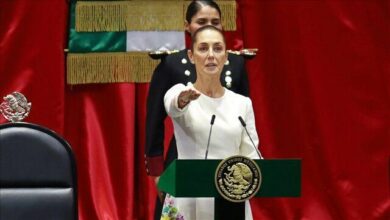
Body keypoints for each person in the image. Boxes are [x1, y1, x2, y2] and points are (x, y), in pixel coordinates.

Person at [145, 1, 250, 219]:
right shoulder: (171, 64)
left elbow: (244, 122)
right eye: (201, 22)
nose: (207, 27)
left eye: (215, 22)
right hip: (184, 163)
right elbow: (155, 120)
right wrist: (156, 173)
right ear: (188, 26)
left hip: (227, 170)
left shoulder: (236, 64)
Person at [161, 25, 261, 220]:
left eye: (217, 48)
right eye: (203, 48)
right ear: (191, 56)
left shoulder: (242, 104)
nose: (211, 55)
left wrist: (260, 174)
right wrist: (182, 99)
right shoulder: (181, 93)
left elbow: (251, 155)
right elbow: (173, 105)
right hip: (188, 197)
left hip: (231, 199)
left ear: (226, 56)